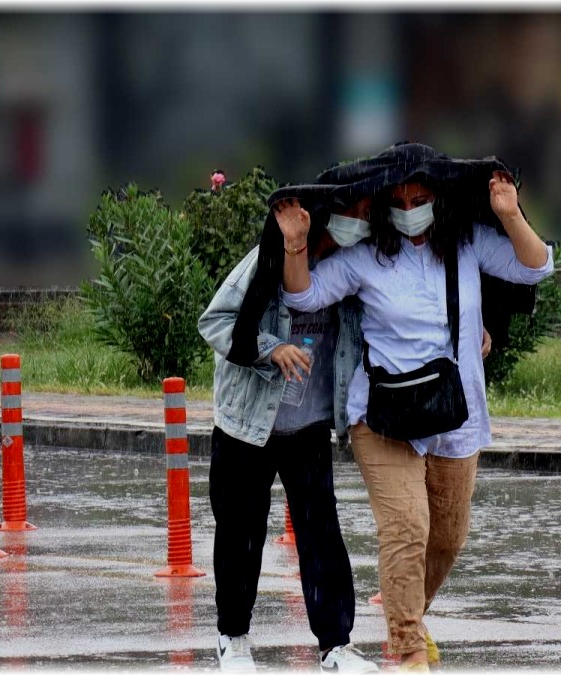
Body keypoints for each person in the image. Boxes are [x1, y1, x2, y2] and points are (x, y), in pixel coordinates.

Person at [276, 145, 553, 671]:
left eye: (420, 198)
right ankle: (407, 652)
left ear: (439, 200)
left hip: (456, 412)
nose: (410, 209)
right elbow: (304, 297)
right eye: (399, 200)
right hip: (384, 417)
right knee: (406, 528)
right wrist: (295, 247)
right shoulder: (366, 259)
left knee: (447, 538)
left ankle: (411, 617)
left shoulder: (467, 245)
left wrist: (510, 213)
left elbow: (534, 267)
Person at [197, 195, 379, 674]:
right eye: (353, 214)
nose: (360, 223)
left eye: (366, 215)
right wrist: (270, 348)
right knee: (241, 534)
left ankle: (335, 646)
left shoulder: (348, 271)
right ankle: (232, 638)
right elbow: (214, 321)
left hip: (309, 425)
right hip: (248, 426)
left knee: (322, 537)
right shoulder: (266, 259)